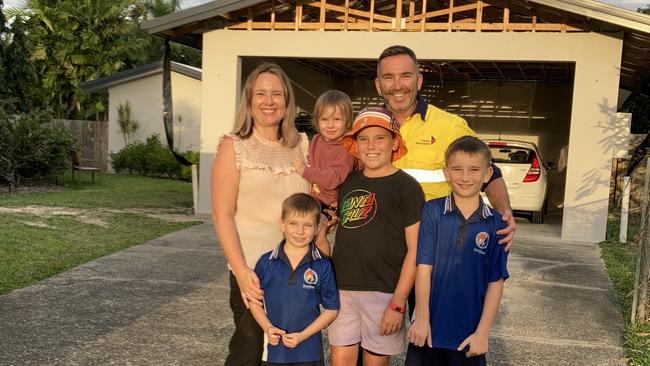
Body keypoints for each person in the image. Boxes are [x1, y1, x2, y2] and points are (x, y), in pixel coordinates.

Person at [211, 62, 318, 366]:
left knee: (291, 352)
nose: (268, 101)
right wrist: (242, 272)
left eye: (276, 94)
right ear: (248, 100)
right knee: (249, 352)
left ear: (287, 101)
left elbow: (311, 204)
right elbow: (222, 215)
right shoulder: (234, 147)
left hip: (297, 271)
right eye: (260, 94)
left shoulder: (302, 146)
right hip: (253, 270)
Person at [374, 45, 516, 249]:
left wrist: (504, 211)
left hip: (436, 243)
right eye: (388, 77)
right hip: (381, 243)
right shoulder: (365, 127)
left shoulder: (450, 126)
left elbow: (489, 173)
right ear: (378, 85)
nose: (398, 86)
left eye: (405, 76)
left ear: (419, 80)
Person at [329, 107, 425, 366]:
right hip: (342, 290)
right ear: (355, 145)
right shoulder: (348, 182)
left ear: (394, 143)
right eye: (363, 138)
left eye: (380, 137)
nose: (371, 145)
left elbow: (415, 251)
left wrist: (398, 303)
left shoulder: (407, 188)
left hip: (384, 293)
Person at [406, 136, 509, 366]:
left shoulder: (497, 223)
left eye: (474, 170)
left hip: (469, 337)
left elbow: (496, 281)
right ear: (446, 173)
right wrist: (421, 319)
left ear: (487, 174)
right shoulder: (432, 211)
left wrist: (483, 333)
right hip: (428, 333)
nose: (465, 177)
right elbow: (423, 267)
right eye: (457, 169)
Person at [249, 193, 340, 366]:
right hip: (274, 352)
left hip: (309, 352)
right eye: (293, 223)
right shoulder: (266, 262)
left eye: (307, 225)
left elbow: (331, 310)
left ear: (317, 228)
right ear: (282, 224)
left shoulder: (322, 264)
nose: (300, 231)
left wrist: (303, 336)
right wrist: (267, 328)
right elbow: (254, 302)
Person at [292, 90, 356, 214]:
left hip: (332, 205)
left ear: (347, 121)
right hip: (314, 198)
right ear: (317, 120)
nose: (330, 125)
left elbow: (333, 179)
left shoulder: (347, 148)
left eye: (337, 119)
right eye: (324, 119)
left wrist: (305, 170)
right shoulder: (317, 139)